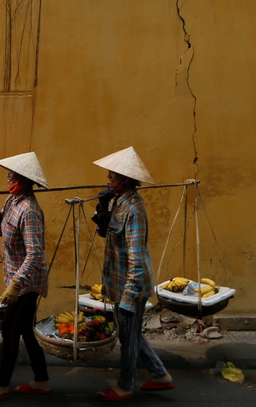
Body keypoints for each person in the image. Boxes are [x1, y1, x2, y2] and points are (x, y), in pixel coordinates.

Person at [91, 146, 174, 401]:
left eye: (112, 176)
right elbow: (105, 234)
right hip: (117, 280)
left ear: (124, 180)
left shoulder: (134, 210)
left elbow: (136, 260)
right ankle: (160, 375)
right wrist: (102, 209)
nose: (108, 179)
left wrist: (129, 297)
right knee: (132, 333)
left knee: (128, 339)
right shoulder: (118, 202)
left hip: (132, 284)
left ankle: (125, 386)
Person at [0, 151, 52, 403]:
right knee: (26, 331)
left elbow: (35, 254)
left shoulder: (29, 210)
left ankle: (1, 384)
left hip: (26, 284)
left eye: (13, 175)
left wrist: (16, 285)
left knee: (9, 330)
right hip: (15, 279)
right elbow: (0, 231)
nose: (8, 177)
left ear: (25, 180)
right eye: (8, 173)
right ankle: (41, 380)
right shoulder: (12, 202)